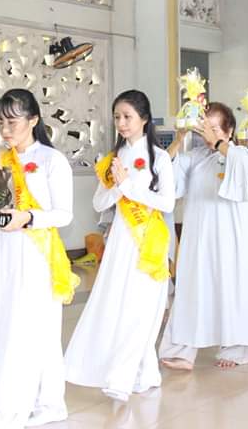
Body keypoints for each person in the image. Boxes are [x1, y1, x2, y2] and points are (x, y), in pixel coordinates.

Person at [65, 90, 175, 402]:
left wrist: (129, 185)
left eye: (127, 116)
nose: (122, 123)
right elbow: (99, 202)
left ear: (144, 118)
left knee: (143, 306)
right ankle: (144, 372)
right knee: (119, 304)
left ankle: (122, 377)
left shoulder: (160, 158)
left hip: (148, 241)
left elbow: (167, 203)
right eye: (117, 117)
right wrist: (116, 188)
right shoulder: (112, 159)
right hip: (120, 242)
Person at [0, 88, 78, 429]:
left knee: (34, 330)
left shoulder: (52, 160)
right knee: (7, 325)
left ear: (33, 120)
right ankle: (44, 403)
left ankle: (20, 408)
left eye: (12, 122)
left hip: (38, 254)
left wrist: (29, 218)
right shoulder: (3, 160)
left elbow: (64, 214)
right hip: (6, 251)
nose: (5, 129)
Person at [159, 103, 248, 370]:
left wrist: (217, 143)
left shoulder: (241, 154)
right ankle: (181, 350)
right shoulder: (195, 157)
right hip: (198, 237)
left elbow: (246, 168)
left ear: (229, 130)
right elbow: (165, 173)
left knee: (232, 288)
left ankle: (236, 349)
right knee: (192, 288)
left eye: (214, 128)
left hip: (232, 238)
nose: (207, 135)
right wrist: (179, 139)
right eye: (204, 128)